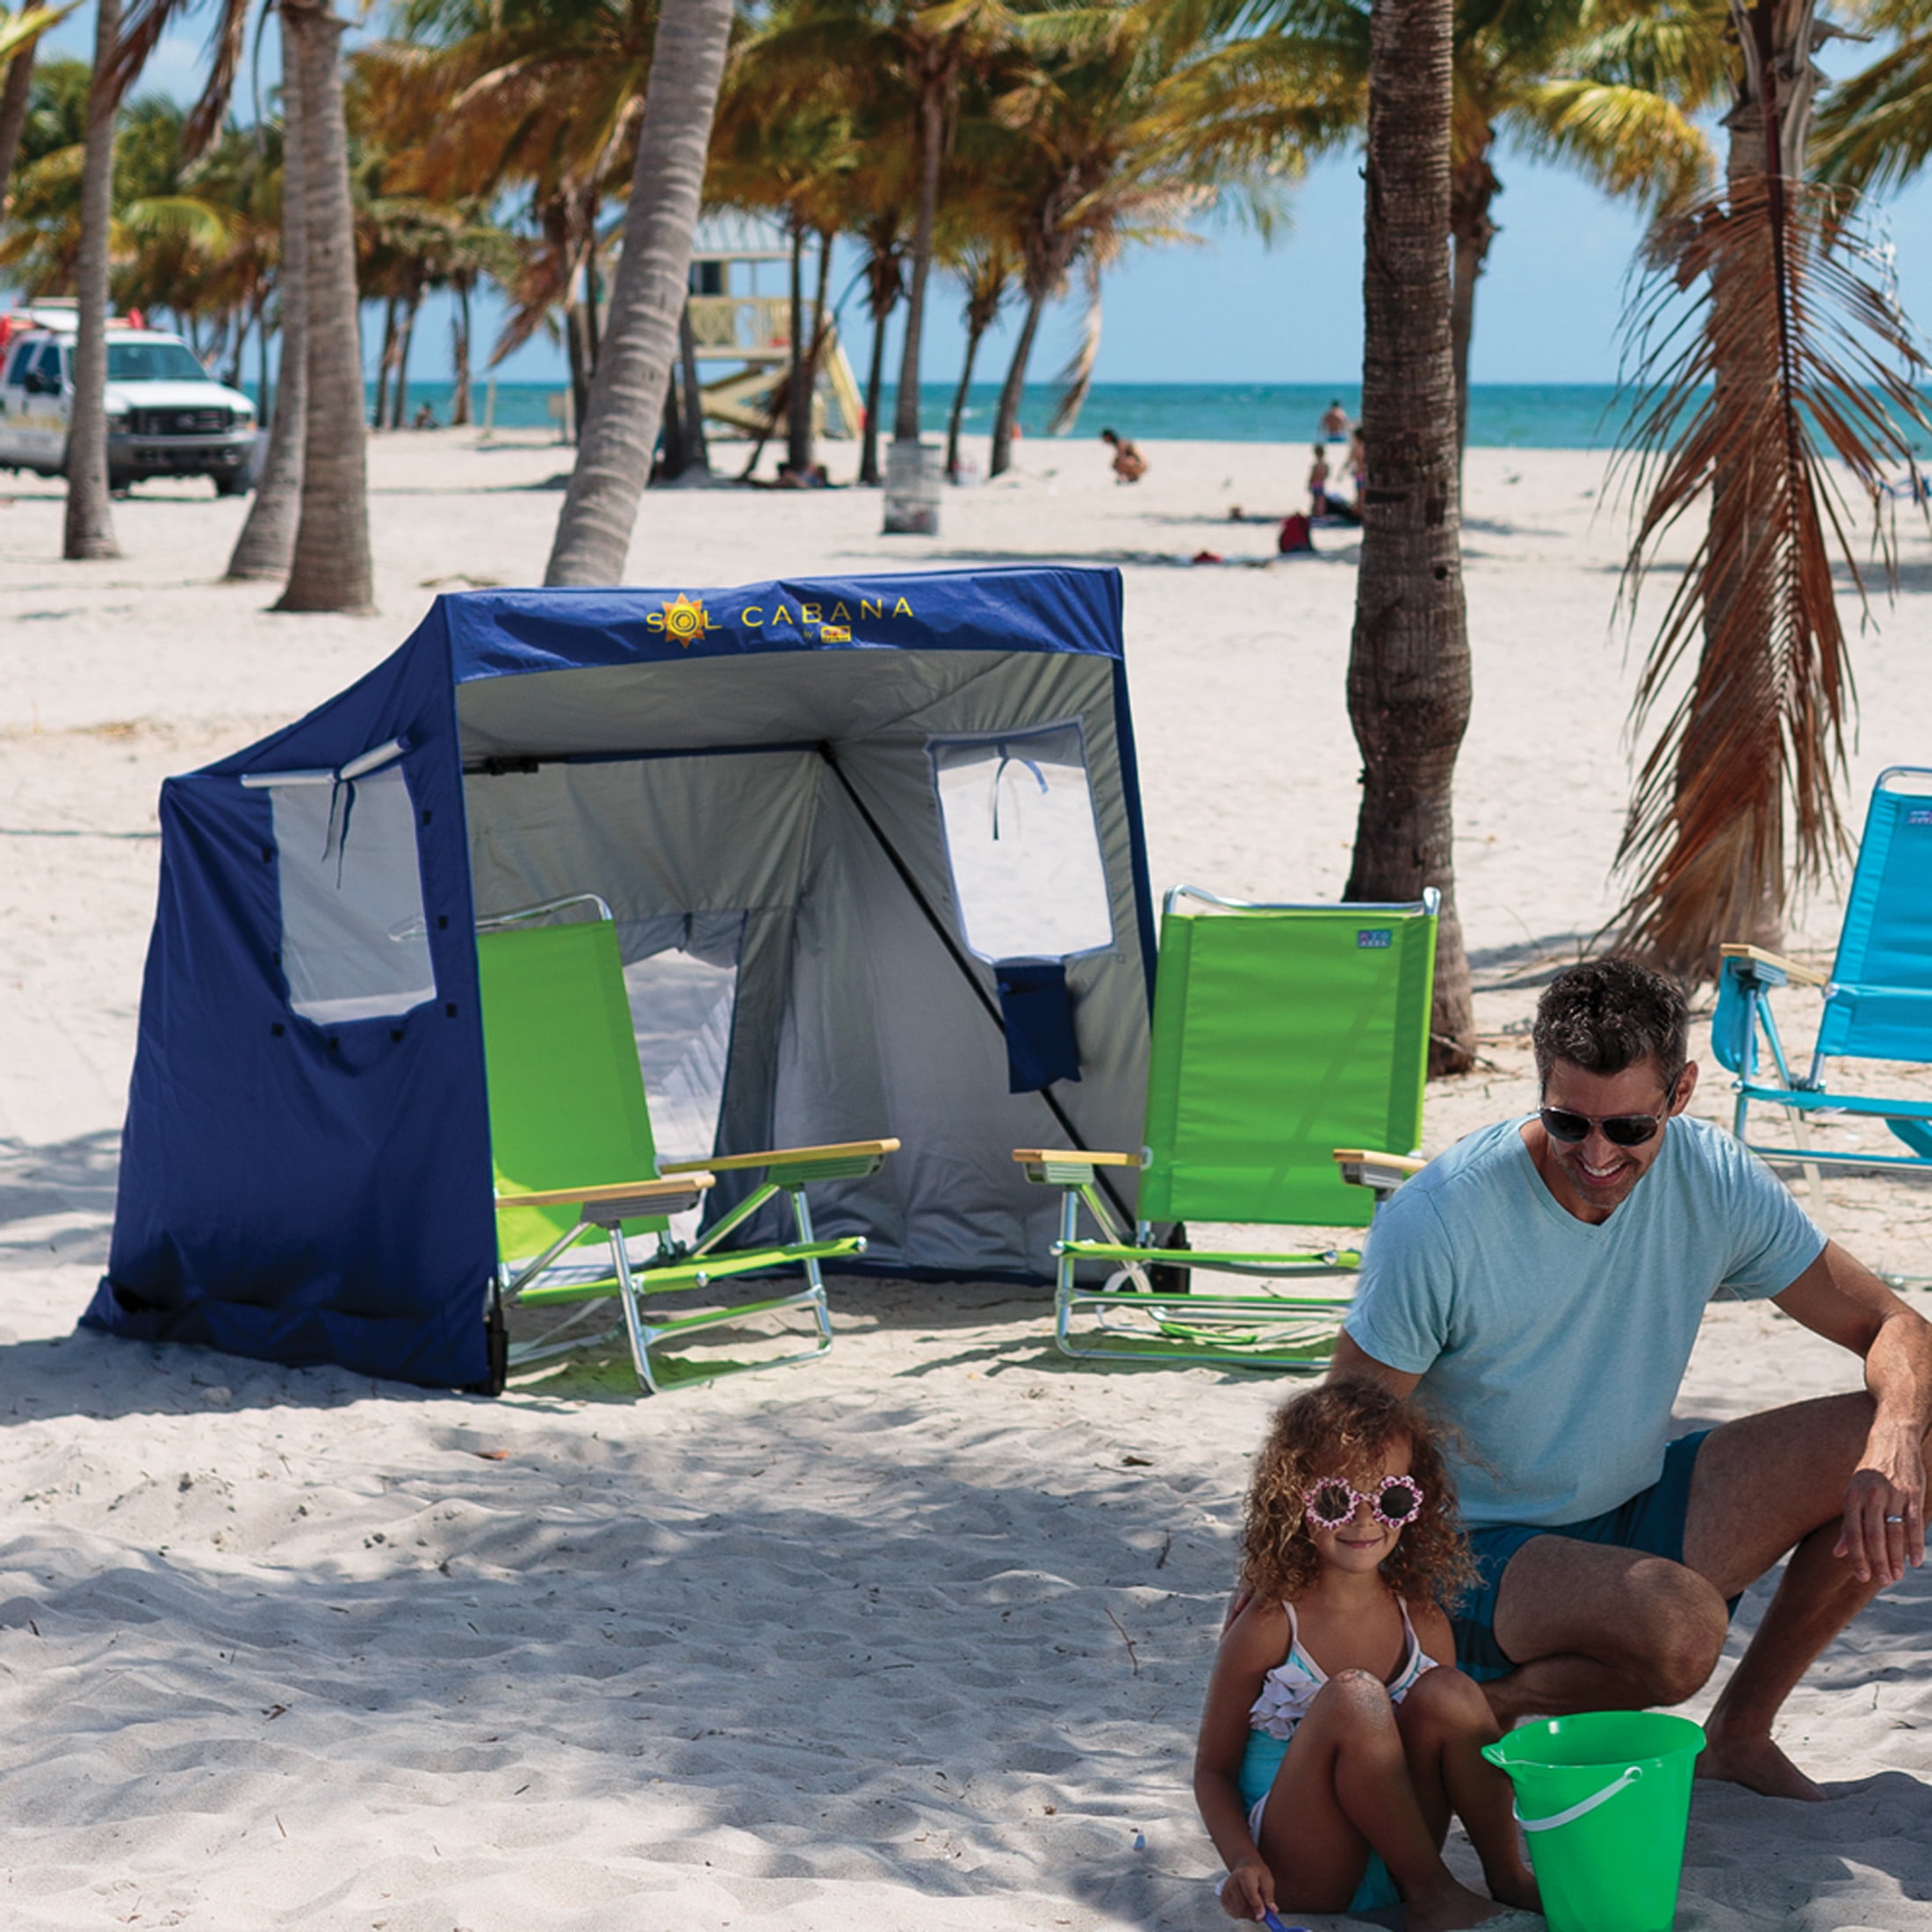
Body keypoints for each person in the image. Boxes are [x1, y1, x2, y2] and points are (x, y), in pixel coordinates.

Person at [1333, 956, 1932, 1802]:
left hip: (1626, 1505)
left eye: (1630, 1130)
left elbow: (1897, 1326)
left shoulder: (1714, 1176)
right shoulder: (1439, 1220)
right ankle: (1466, 1720)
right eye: (1568, 1124)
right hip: (1468, 1544)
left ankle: (1740, 1733)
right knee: (1681, 1630)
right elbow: (1339, 1435)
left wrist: (1896, 1437)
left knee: (1921, 1432)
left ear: (1680, 1093)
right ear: (1539, 1087)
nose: (1599, 1155)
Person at [1196, 1382, 1538, 1931]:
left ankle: (1505, 1876)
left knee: (1451, 1692)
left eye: (1391, 1498)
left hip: (1401, 1856)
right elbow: (1213, 1770)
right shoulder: (1268, 1623)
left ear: (1416, 1501)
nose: (1364, 1519)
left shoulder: (1421, 1619)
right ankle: (1435, 1896)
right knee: (1355, 1697)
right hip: (1306, 1868)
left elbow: (1449, 1748)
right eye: (1336, 1499)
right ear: (1294, 1498)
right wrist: (1242, 1859)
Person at [1306, 443, 1331, 517]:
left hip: (1315, 483)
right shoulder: (1325, 464)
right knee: (1321, 499)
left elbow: (1312, 476)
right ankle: (1321, 513)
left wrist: (1309, 483)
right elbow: (1327, 474)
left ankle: (1316, 513)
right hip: (1322, 483)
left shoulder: (1315, 465)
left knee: (1316, 499)